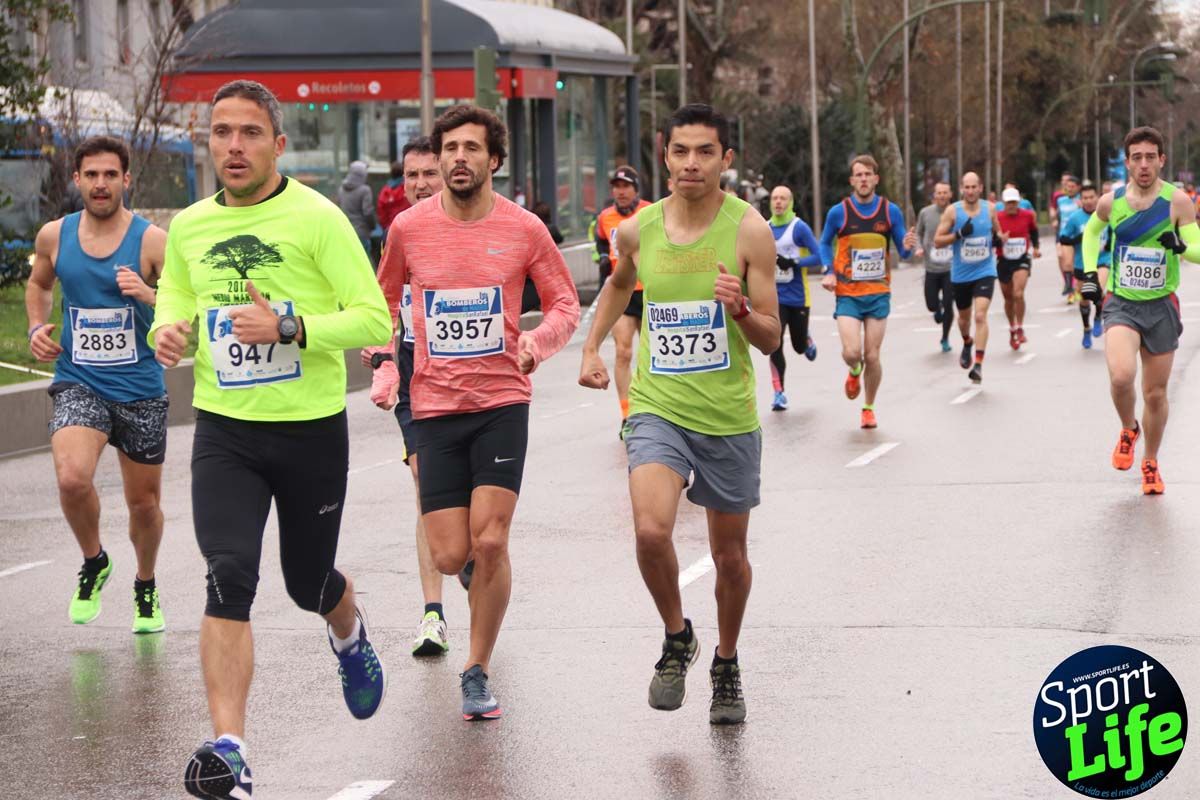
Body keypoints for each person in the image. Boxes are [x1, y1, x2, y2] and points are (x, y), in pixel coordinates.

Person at [153, 80, 393, 798]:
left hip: (309, 430)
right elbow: (176, 297)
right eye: (221, 132)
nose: (233, 145)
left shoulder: (318, 218)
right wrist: (167, 329)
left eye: (249, 132)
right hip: (226, 431)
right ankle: (231, 749)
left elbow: (377, 320)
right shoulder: (192, 226)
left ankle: (347, 628)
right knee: (228, 574)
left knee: (305, 583)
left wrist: (292, 328)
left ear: (278, 144)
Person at [377, 104, 580, 721]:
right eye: (450, 148)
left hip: (500, 403)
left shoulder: (524, 229)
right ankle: (470, 577)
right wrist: (387, 367)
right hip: (434, 404)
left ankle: (476, 667)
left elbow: (565, 303)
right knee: (449, 554)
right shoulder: (409, 230)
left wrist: (535, 343)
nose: (459, 158)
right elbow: (380, 304)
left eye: (472, 148)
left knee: (491, 539)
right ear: (437, 159)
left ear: (494, 160)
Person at [579, 103, 779, 726]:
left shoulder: (749, 231)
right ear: (664, 156)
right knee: (649, 531)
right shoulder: (639, 229)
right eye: (680, 152)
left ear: (726, 159)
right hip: (659, 407)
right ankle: (676, 636)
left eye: (705, 152)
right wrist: (591, 345)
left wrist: (741, 309)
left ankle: (725, 660)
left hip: (726, 415)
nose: (691, 163)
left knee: (730, 560)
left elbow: (773, 339)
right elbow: (618, 283)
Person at [25, 135, 169, 633]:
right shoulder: (55, 236)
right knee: (71, 477)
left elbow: (183, 304)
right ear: (77, 180)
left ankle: (145, 584)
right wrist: (36, 329)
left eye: (111, 175)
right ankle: (94, 560)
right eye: (92, 175)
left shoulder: (152, 240)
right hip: (79, 380)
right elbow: (40, 285)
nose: (101, 184)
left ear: (126, 179)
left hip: (140, 388)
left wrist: (147, 293)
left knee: (143, 504)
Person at [363, 136, 452, 657]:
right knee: (425, 483)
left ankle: (463, 558)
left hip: (470, 381)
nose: (419, 184)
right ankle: (432, 615)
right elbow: (384, 301)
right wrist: (382, 357)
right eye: (412, 174)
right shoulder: (398, 235)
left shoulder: (474, 229)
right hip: (417, 377)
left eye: (430, 174)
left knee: (466, 509)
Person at [1082, 126, 1200, 495]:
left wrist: (1180, 246)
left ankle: (1150, 460)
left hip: (1162, 305)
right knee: (1121, 376)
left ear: (1162, 160)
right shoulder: (1111, 201)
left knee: (1155, 394)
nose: (1144, 164)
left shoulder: (1177, 201)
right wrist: (1089, 274)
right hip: (1122, 303)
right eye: (1137, 157)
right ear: (1128, 163)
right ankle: (1128, 428)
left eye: (1151, 157)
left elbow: (1198, 249)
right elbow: (1090, 233)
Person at [819, 154, 918, 429]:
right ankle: (854, 370)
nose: (863, 179)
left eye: (868, 174)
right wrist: (828, 270)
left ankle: (868, 407)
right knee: (852, 352)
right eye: (858, 175)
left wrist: (910, 245)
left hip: (878, 293)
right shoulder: (839, 212)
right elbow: (824, 243)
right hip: (848, 293)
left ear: (876, 179)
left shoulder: (889, 211)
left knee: (872, 354)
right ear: (852, 180)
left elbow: (905, 250)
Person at [933, 171, 1006, 384]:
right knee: (964, 319)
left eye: (974, 187)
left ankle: (978, 364)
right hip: (961, 274)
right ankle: (967, 341)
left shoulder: (990, 209)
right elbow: (937, 241)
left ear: (981, 188)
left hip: (985, 270)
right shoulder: (952, 212)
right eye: (967, 187)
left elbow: (997, 233)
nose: (971, 191)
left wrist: (998, 240)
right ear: (962, 189)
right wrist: (958, 235)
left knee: (980, 316)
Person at [596, 165, 652, 428]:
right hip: (623, 293)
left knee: (651, 354)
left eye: (625, 186)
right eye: (616, 187)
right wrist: (604, 257)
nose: (620, 191)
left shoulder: (650, 212)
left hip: (650, 292)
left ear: (635, 189)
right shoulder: (605, 217)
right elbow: (600, 241)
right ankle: (628, 414)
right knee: (623, 352)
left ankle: (652, 408)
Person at [767, 185, 821, 410]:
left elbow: (819, 255)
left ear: (790, 203)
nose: (778, 202)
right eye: (775, 198)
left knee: (798, 347)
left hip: (798, 296)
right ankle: (779, 393)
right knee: (774, 344)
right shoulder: (765, 228)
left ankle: (806, 340)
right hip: (774, 297)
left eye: (783, 199)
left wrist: (795, 262)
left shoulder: (799, 228)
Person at [1058, 181, 1109, 349]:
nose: (1088, 201)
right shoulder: (1075, 218)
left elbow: (1116, 231)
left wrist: (1110, 244)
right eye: (1085, 198)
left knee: (1099, 290)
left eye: (1091, 197)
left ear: (1098, 197)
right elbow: (1064, 238)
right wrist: (1078, 239)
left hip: (1102, 260)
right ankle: (1086, 328)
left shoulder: (1105, 215)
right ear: (1081, 200)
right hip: (1082, 263)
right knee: (1085, 298)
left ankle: (1098, 317)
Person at [994, 186, 1040, 350]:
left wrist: (1035, 248)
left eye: (1014, 202)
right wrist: (1000, 240)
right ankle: (1012, 327)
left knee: (1018, 293)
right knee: (1008, 298)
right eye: (1008, 203)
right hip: (1003, 260)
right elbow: (992, 240)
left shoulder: (1027, 215)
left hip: (1021, 258)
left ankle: (1020, 327)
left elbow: (1034, 231)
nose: (1011, 206)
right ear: (1003, 203)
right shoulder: (997, 218)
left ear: (1018, 202)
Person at [914, 182, 955, 352]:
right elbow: (918, 233)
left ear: (950, 194)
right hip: (931, 267)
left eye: (945, 192)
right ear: (935, 195)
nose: (942, 196)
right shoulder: (926, 213)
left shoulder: (956, 212)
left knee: (949, 304)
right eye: (939, 193)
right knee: (931, 304)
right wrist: (918, 247)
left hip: (950, 268)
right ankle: (937, 308)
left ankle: (945, 338)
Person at [336, 160, 376, 256]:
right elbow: (368, 212)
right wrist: (373, 226)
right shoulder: (365, 190)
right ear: (362, 174)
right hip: (361, 233)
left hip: (346, 232)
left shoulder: (341, 189)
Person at [1051, 174, 1081, 301]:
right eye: (1068, 187)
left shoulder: (1082, 200)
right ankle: (1069, 287)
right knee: (1064, 261)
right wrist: (1055, 222)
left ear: (1078, 187)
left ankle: (1076, 289)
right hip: (1064, 235)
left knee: (1076, 264)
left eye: (1072, 187)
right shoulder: (1060, 200)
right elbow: (1058, 216)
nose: (1070, 189)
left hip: (1079, 236)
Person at [376, 159, 410, 244]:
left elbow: (381, 212)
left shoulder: (385, 191)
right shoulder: (407, 189)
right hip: (407, 229)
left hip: (390, 230)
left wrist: (386, 227)